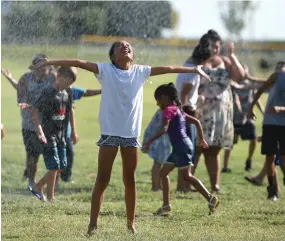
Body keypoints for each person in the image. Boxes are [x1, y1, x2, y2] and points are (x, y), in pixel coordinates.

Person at [29, 40, 211, 234]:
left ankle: (131, 224)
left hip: (130, 136)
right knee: (102, 179)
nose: (125, 46)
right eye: (119, 45)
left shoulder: (140, 72)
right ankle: (92, 224)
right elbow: (79, 62)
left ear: (132, 55)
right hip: (110, 135)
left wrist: (193, 70)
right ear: (113, 55)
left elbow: (168, 68)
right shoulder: (105, 70)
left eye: (128, 46)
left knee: (129, 180)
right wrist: (49, 62)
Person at [142, 83, 219, 216]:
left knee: (187, 176)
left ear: (165, 97)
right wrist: (201, 139)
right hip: (181, 146)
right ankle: (166, 206)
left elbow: (165, 128)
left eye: (158, 100)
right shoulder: (177, 109)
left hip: (181, 146)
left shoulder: (168, 110)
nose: (157, 103)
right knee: (163, 174)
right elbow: (196, 121)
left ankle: (210, 198)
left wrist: (149, 141)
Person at [195, 30, 245, 193]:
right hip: (202, 111)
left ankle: (214, 185)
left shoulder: (224, 60)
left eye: (217, 46)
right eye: (212, 46)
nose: (215, 50)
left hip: (221, 111)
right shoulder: (198, 60)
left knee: (214, 149)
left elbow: (239, 76)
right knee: (198, 148)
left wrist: (232, 56)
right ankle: (187, 182)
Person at [1, 54, 56, 189]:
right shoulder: (26, 78)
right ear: (33, 67)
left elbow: (61, 90)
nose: (41, 71)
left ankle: (54, 183)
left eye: (44, 68)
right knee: (32, 155)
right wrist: (10, 79)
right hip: (30, 124)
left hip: (49, 124)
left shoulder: (52, 78)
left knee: (53, 154)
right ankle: (31, 181)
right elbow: (21, 94)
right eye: (38, 67)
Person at [29, 66, 77, 201]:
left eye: (71, 84)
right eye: (67, 82)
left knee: (62, 166)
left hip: (62, 135)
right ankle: (50, 196)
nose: (68, 86)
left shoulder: (68, 92)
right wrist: (40, 132)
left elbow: (69, 113)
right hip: (49, 135)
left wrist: (73, 131)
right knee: (54, 166)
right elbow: (34, 112)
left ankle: (39, 186)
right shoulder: (48, 92)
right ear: (59, 76)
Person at [248, 62, 285, 201]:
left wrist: (281, 109)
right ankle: (272, 191)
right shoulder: (277, 76)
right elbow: (260, 90)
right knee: (270, 157)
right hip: (269, 123)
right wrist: (251, 108)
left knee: (283, 158)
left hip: (283, 125)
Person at [222, 64, 264, 173]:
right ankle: (225, 166)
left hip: (248, 117)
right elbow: (234, 99)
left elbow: (256, 98)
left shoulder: (250, 84)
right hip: (235, 118)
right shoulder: (233, 84)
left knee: (253, 139)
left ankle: (249, 160)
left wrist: (262, 111)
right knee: (230, 142)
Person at [60, 86, 102, 183]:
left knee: (69, 154)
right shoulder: (50, 89)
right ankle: (54, 180)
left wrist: (102, 90)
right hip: (53, 132)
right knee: (56, 156)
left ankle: (66, 177)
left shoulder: (68, 89)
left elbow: (85, 92)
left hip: (66, 132)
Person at [141, 110, 171, 191]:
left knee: (160, 163)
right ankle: (156, 186)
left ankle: (159, 186)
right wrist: (150, 141)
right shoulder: (167, 110)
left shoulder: (165, 109)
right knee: (158, 163)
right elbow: (164, 127)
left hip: (162, 139)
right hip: (160, 139)